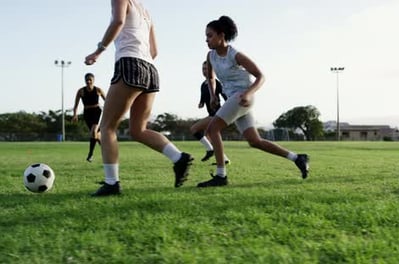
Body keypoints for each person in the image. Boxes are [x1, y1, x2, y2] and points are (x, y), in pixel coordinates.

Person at [84, 0, 193, 196]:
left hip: (130, 63)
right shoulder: (145, 11)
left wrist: (98, 51)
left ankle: (112, 183)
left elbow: (118, 22)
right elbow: (155, 51)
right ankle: (179, 158)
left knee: (107, 126)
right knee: (138, 130)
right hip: (150, 69)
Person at [196, 16, 309, 187]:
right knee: (254, 141)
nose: (207, 40)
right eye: (206, 36)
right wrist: (213, 95)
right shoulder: (210, 56)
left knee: (212, 129)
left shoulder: (236, 55)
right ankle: (297, 158)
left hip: (243, 97)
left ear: (221, 35)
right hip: (234, 99)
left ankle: (221, 176)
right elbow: (210, 77)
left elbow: (261, 76)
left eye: (210, 35)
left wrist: (248, 93)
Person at [190, 61, 230, 164]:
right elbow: (203, 98)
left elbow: (225, 96)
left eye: (207, 69)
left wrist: (230, 109)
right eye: (203, 69)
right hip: (211, 114)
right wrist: (201, 103)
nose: (204, 71)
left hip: (217, 113)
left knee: (194, 129)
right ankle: (224, 159)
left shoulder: (216, 83)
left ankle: (210, 150)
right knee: (211, 136)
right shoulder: (203, 85)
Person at [72, 73, 106, 162]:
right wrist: (75, 115)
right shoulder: (81, 91)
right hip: (87, 113)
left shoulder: (98, 90)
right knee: (97, 136)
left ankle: (90, 155)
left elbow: (107, 101)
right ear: (85, 80)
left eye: (90, 80)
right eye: (87, 80)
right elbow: (76, 105)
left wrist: (109, 112)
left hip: (97, 112)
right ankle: (106, 151)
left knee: (93, 132)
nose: (88, 81)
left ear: (93, 80)